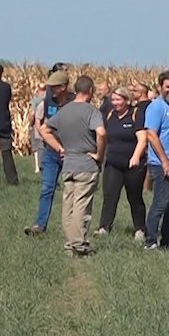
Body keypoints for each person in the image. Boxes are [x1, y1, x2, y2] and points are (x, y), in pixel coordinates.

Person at [39, 75, 106, 256]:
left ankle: (69, 244)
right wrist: (99, 155)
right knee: (81, 205)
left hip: (68, 164)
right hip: (86, 164)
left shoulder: (64, 111)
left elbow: (43, 129)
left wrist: (59, 148)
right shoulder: (92, 112)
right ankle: (79, 244)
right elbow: (101, 133)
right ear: (90, 91)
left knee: (68, 205)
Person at [95, 86, 148, 239]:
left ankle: (140, 229)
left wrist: (136, 157)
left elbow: (142, 139)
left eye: (118, 100)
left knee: (135, 197)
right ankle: (104, 227)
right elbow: (103, 137)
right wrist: (100, 155)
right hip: (113, 163)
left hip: (132, 165)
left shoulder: (134, 115)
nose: (115, 103)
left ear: (127, 100)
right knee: (110, 196)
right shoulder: (110, 115)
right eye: (113, 100)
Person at [24, 69, 72, 235]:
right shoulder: (48, 101)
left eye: (55, 87)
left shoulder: (74, 102)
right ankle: (40, 224)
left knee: (71, 191)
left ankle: (71, 228)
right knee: (47, 188)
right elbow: (42, 122)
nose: (51, 89)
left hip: (70, 153)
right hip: (51, 151)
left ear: (64, 87)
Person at [143, 70, 169, 250]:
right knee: (161, 203)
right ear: (160, 87)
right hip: (162, 163)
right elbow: (151, 135)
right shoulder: (156, 107)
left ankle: (166, 241)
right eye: (167, 87)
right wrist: (165, 161)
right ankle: (151, 241)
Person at [29, 80, 46, 173]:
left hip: (37, 126)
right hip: (48, 126)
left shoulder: (36, 100)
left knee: (36, 147)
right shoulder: (49, 99)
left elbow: (32, 113)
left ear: (38, 89)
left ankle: (37, 167)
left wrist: (31, 123)